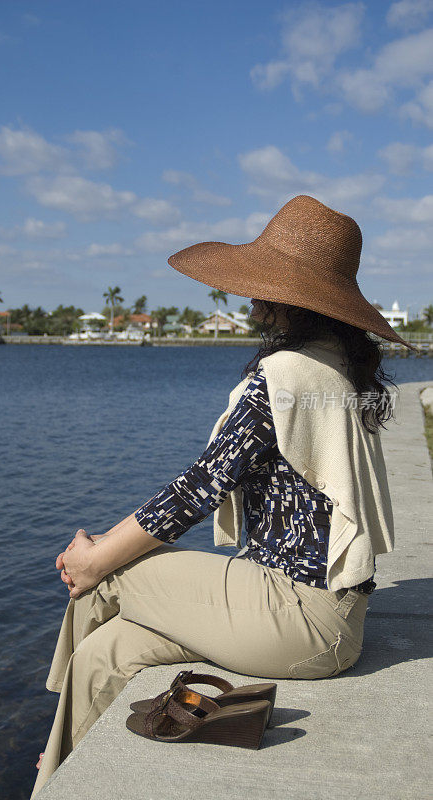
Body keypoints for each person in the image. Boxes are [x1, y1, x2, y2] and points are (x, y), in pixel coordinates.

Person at [31, 194, 416, 797]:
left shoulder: (287, 376)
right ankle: (55, 766)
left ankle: (45, 730)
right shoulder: (337, 365)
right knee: (108, 650)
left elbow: (198, 488)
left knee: (103, 576)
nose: (254, 302)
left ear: (288, 299)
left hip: (300, 618)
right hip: (328, 626)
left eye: (264, 290)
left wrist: (96, 554)